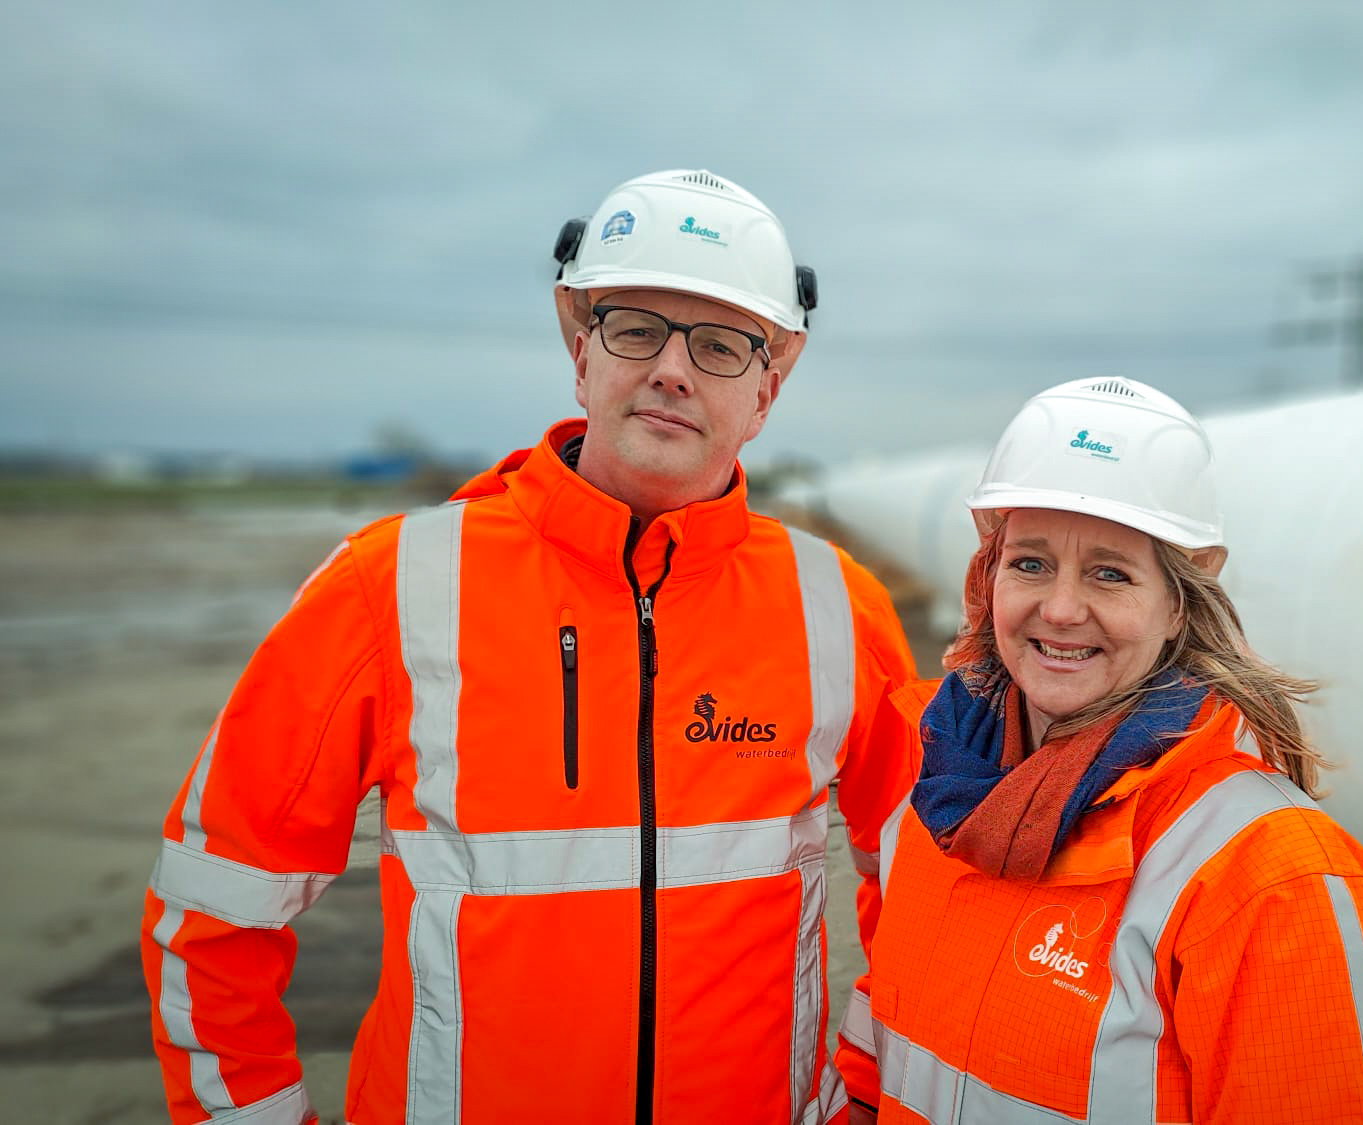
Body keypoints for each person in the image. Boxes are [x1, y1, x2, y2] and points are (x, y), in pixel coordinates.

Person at [141, 170, 917, 1124]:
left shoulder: (838, 608)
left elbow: (927, 901)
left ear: (772, 382)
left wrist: (869, 1098)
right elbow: (214, 904)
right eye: (637, 327)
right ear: (578, 341)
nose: (672, 369)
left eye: (720, 346)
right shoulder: (390, 586)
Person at [832, 377, 1363, 1122]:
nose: (1062, 608)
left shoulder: (1269, 882)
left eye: (1110, 573)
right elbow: (878, 1054)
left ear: (1179, 604)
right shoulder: (935, 792)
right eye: (1031, 563)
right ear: (989, 577)